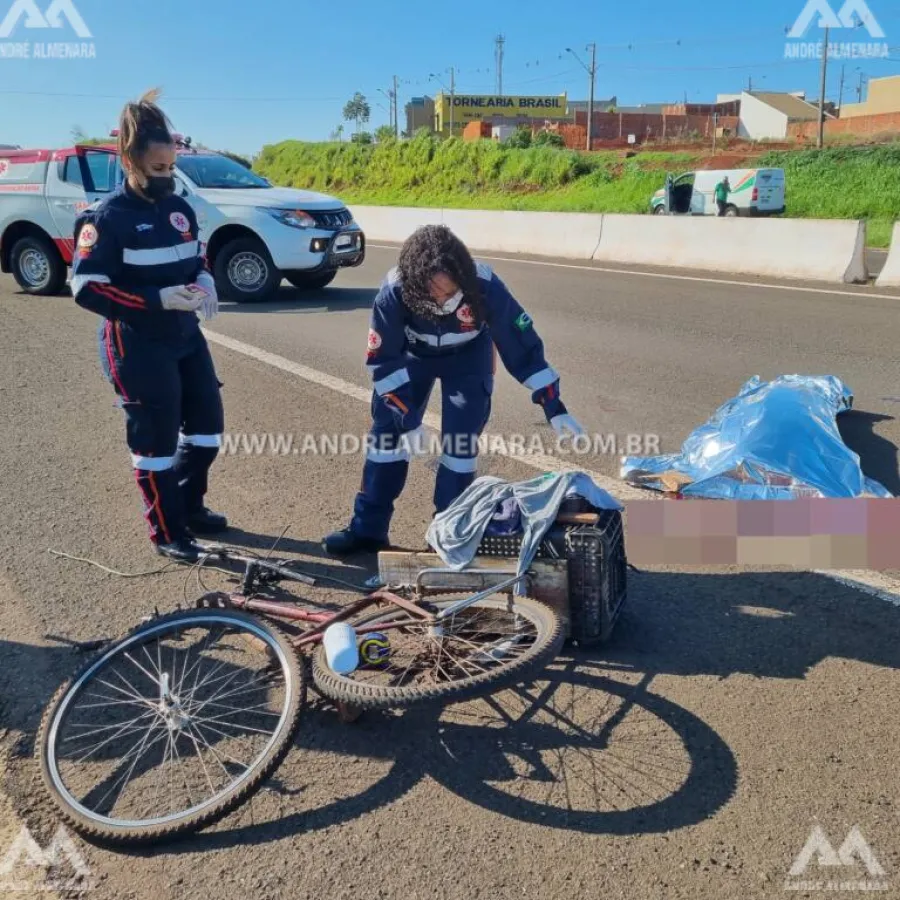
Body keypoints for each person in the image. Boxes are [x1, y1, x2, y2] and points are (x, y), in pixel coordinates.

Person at [324, 224, 585, 555]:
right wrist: (406, 419)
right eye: (433, 293)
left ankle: (447, 536)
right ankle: (368, 529)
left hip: (468, 357)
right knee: (386, 442)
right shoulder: (394, 291)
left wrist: (553, 405)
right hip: (411, 355)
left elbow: (521, 343)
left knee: (460, 448)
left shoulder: (484, 285)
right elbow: (384, 361)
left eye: (450, 293)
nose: (442, 301)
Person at [71, 89, 228, 562]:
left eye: (171, 168)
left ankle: (187, 506)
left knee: (206, 432)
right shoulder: (107, 218)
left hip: (184, 336)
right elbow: (86, 287)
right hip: (137, 346)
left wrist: (203, 276)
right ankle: (166, 531)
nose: (166, 177)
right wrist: (155, 299)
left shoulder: (177, 208)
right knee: (155, 444)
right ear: (129, 161)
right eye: (157, 170)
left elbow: (194, 252)